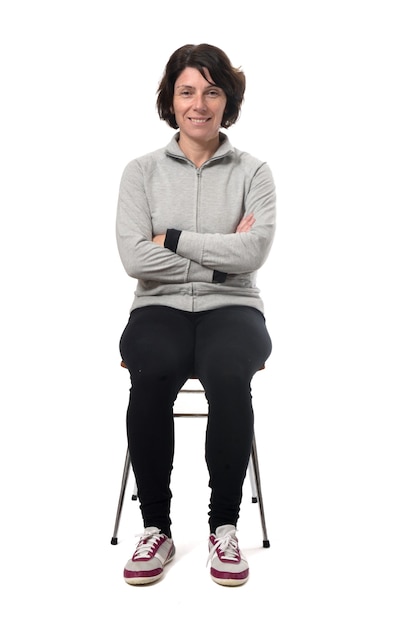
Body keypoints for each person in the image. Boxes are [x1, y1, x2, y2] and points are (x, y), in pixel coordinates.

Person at [116, 43, 276, 587]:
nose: (199, 104)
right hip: (157, 308)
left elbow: (253, 253)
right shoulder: (140, 173)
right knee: (153, 369)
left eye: (212, 91)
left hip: (234, 310)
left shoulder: (255, 172)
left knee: (229, 374)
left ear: (227, 100)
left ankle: (224, 527)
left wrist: (177, 240)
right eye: (187, 91)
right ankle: (155, 527)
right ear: (171, 99)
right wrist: (218, 260)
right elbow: (135, 256)